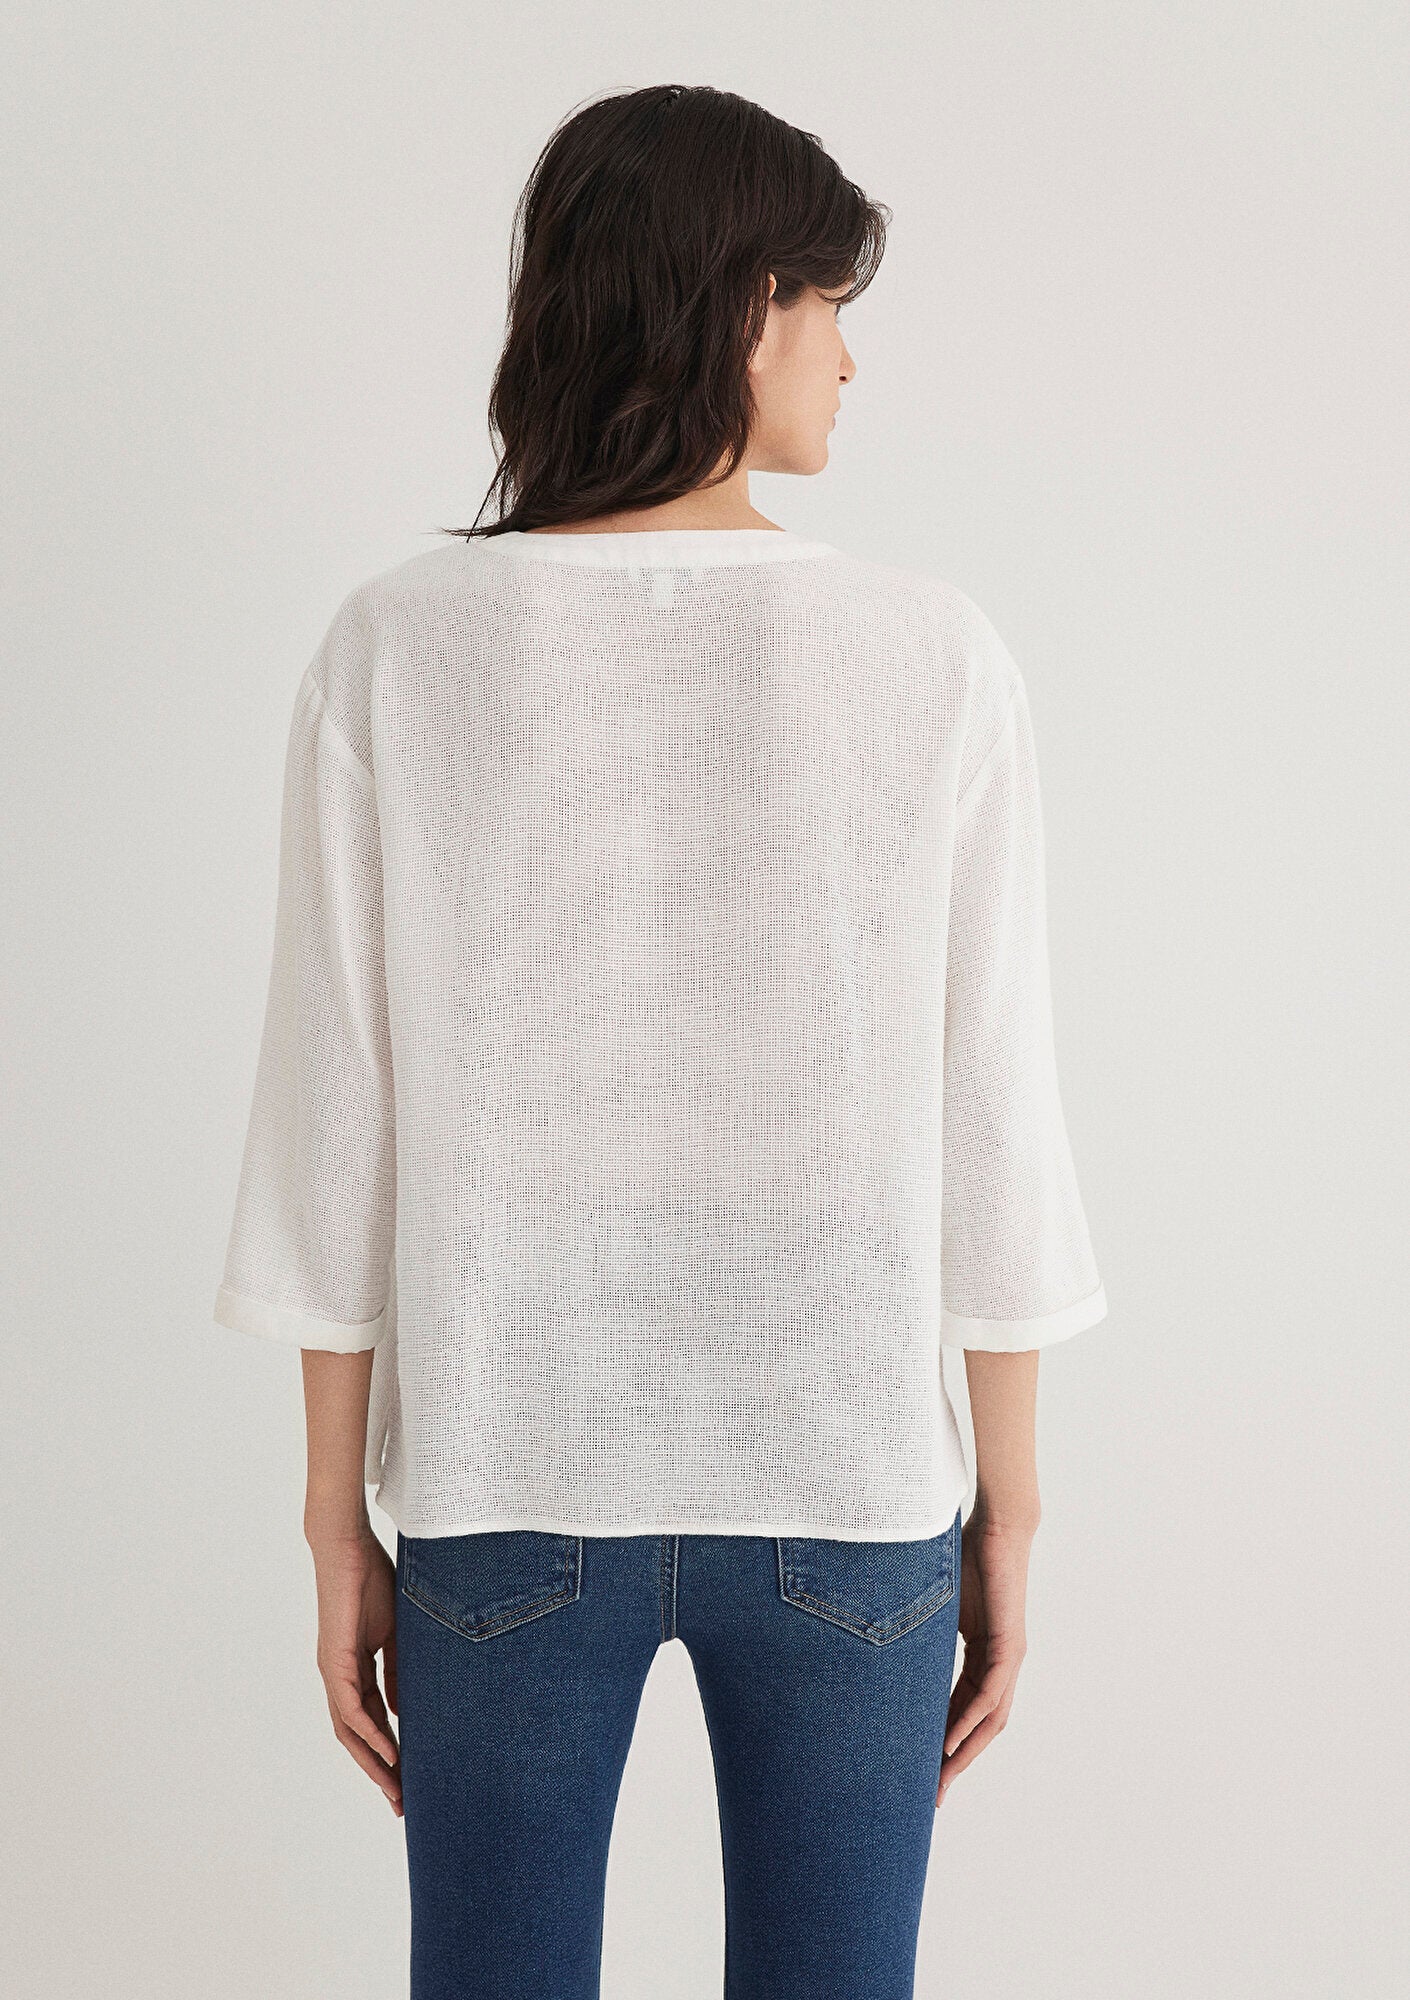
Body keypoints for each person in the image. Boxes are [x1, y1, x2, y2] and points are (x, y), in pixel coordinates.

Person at [212, 82, 1108, 2000]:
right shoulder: (932, 651)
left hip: (505, 1464)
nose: (850, 358)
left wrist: (331, 1515)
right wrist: (1011, 1504)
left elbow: (332, 1117)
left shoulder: (399, 643)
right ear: (742, 301)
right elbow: (994, 1107)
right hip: (846, 1472)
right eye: (830, 304)